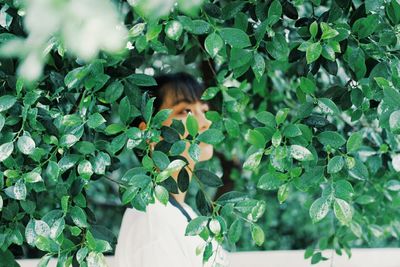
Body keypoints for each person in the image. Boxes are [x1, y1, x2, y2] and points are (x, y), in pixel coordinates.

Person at [114, 72, 230, 267]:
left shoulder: (180, 212)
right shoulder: (152, 223)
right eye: (186, 111)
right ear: (148, 133)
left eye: (203, 110)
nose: (205, 123)